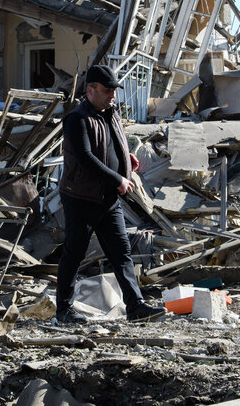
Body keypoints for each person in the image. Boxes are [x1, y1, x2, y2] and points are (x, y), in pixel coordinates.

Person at [56, 64, 166, 324]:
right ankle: (63, 311)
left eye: (114, 90)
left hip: (107, 199)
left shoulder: (111, 114)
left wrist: (125, 160)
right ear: (90, 90)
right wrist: (118, 178)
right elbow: (85, 158)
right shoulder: (77, 119)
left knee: (121, 252)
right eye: (107, 90)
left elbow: (110, 143)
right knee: (74, 252)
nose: (112, 95)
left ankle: (136, 306)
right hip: (81, 198)